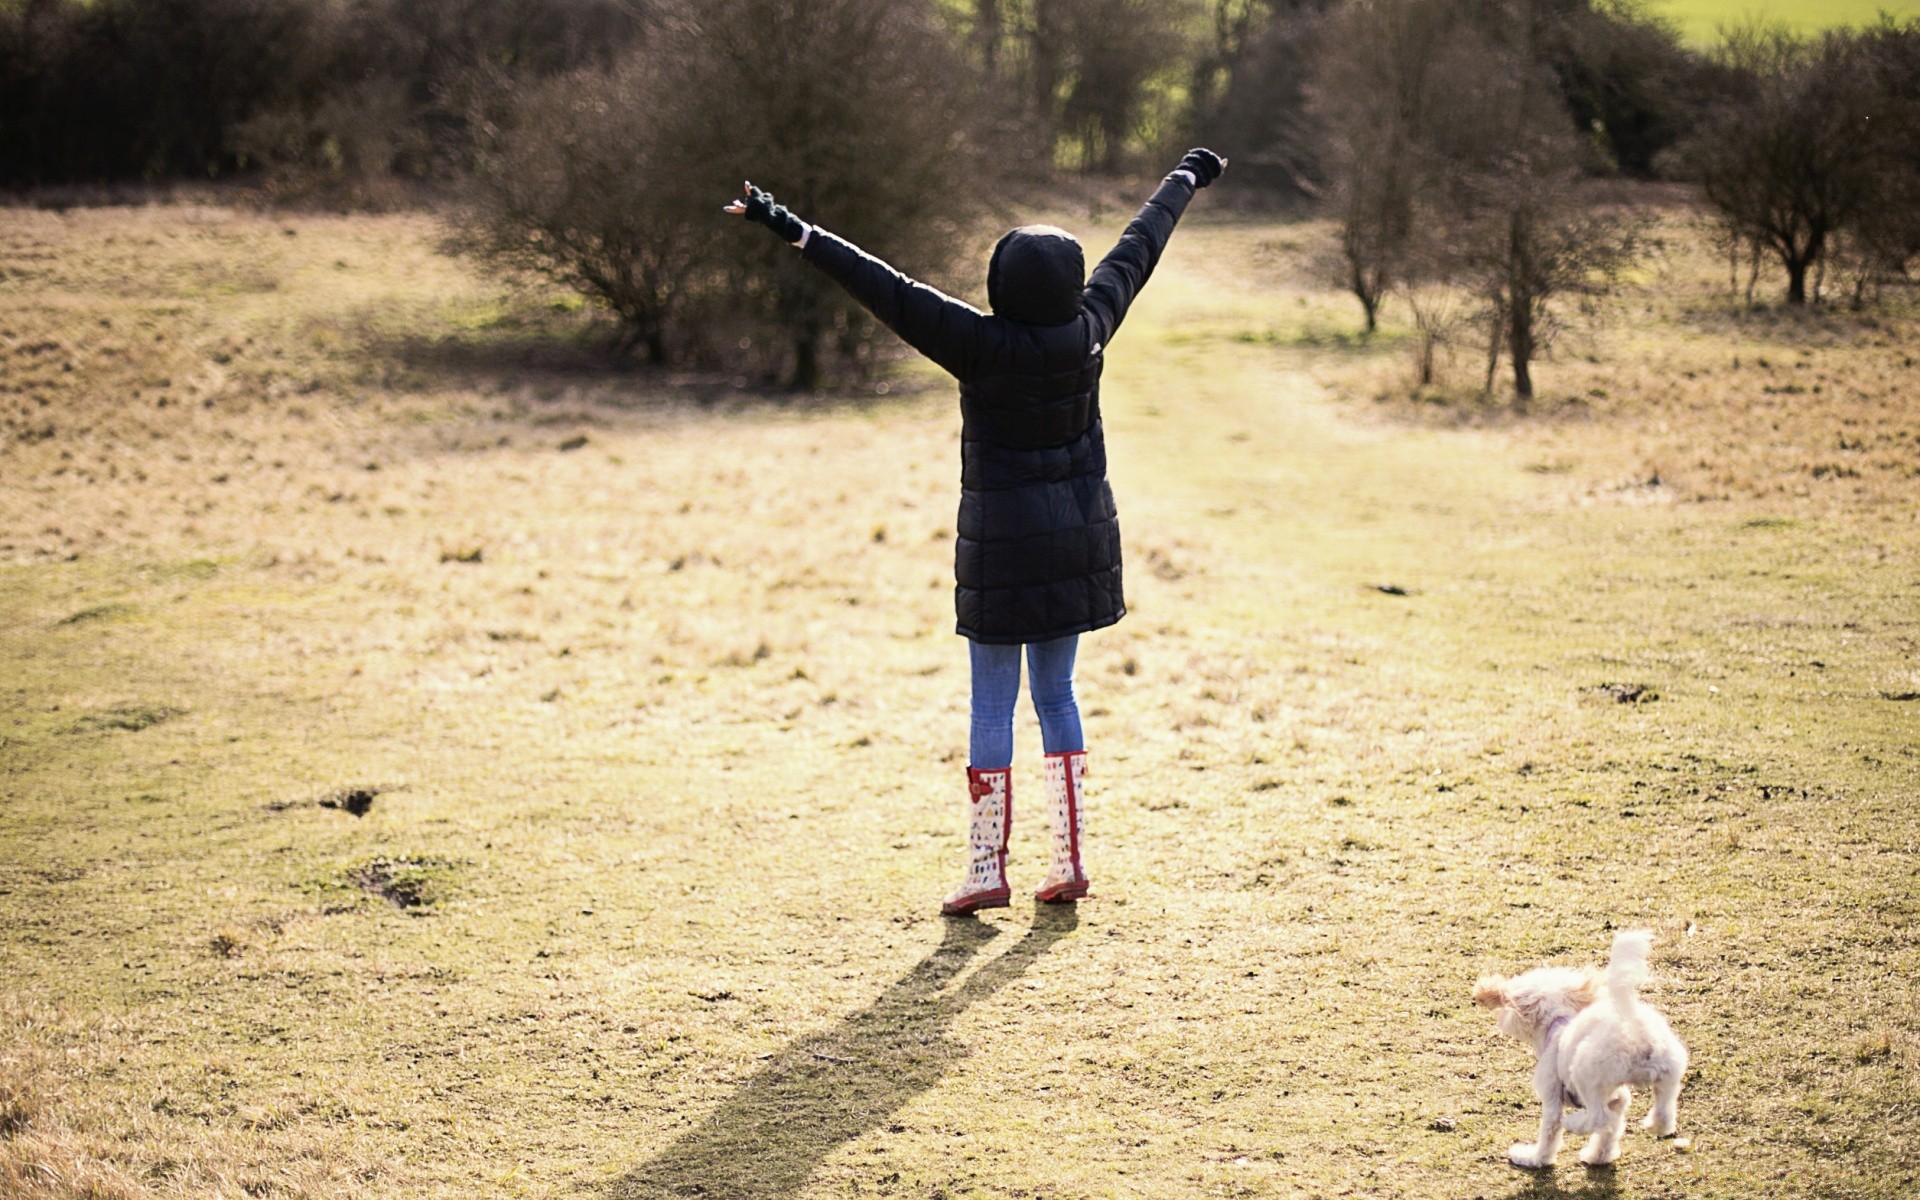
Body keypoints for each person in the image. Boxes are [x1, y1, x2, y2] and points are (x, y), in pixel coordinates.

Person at [724, 147, 1226, 915]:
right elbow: (1140, 244)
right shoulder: (1090, 328)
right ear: (1067, 285)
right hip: (1077, 542)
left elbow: (881, 285)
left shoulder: (977, 344)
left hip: (1000, 549)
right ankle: (1069, 864)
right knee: (1057, 694)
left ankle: (986, 871)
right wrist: (1186, 176)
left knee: (993, 708)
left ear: (1000, 286)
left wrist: (787, 226)